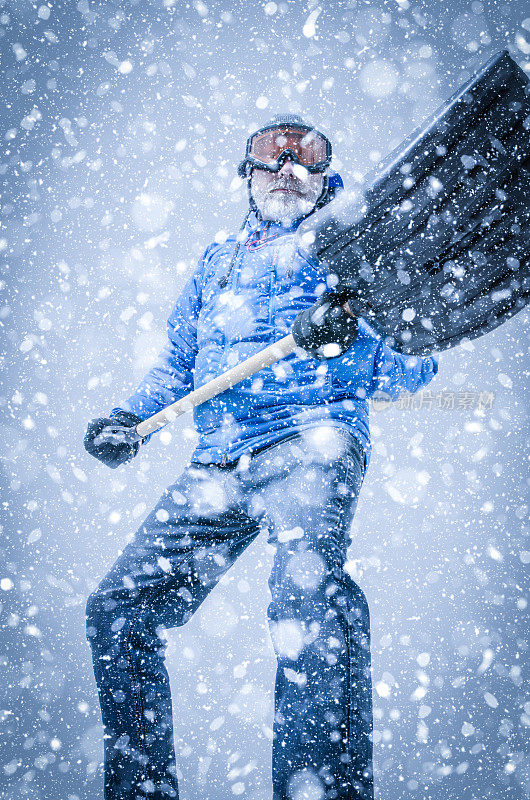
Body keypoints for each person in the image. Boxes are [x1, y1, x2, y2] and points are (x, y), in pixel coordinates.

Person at [84, 114, 439, 800]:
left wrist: (347, 340)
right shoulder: (218, 260)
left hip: (312, 440)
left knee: (307, 597)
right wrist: (132, 419)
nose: (287, 169)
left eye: (306, 160)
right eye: (271, 157)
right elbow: (179, 360)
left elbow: (409, 370)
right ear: (246, 175)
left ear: (326, 181)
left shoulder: (350, 250)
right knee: (118, 610)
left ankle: (322, 791)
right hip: (220, 461)